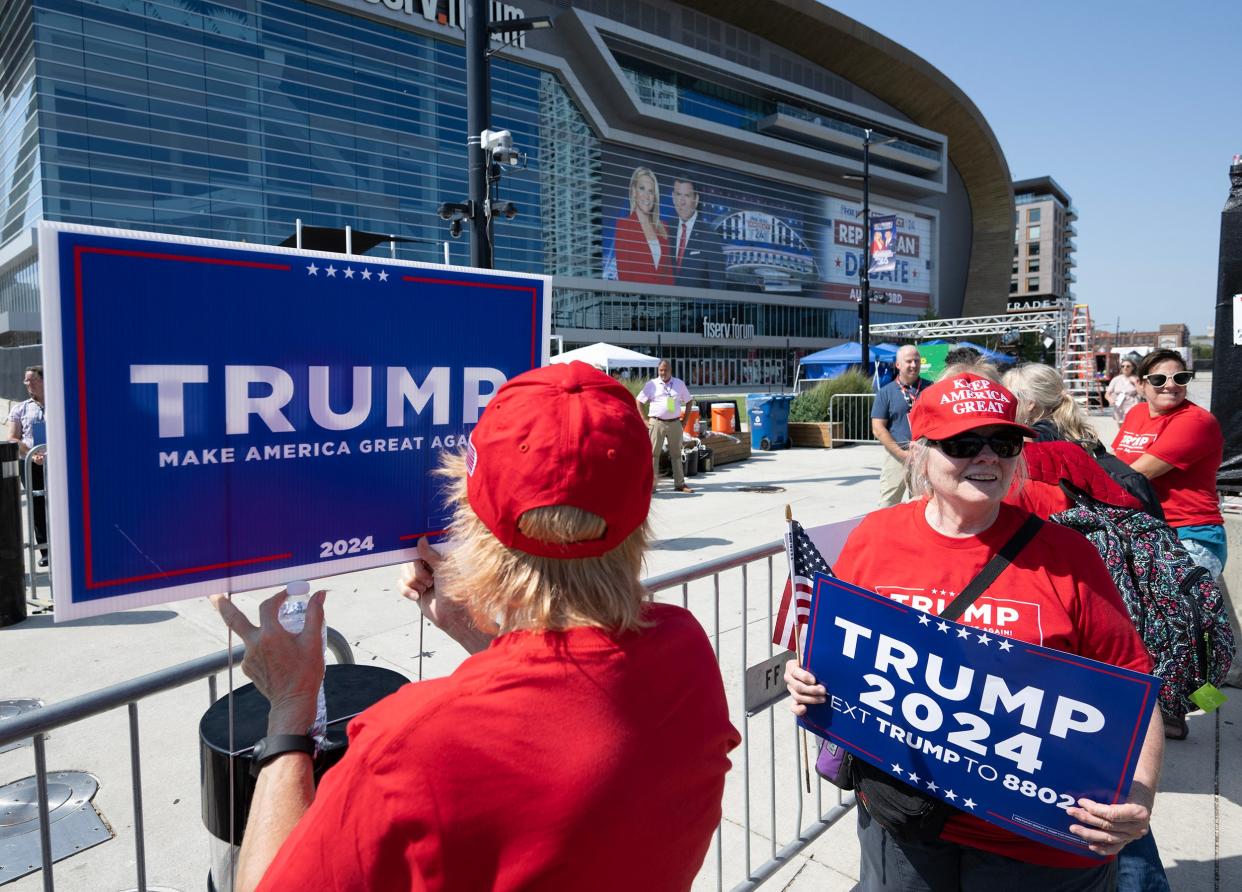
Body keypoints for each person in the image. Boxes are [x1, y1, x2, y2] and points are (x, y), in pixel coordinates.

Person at [213, 361, 740, 891]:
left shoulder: (408, 749)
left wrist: (290, 706)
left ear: (475, 523)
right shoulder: (686, 652)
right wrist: (481, 638)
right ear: (640, 513)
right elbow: (571, 712)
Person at [786, 373, 1164, 890]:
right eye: (964, 443)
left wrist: (1139, 793)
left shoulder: (1069, 556)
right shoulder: (875, 537)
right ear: (919, 452)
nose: (987, 457)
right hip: (906, 821)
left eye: (1003, 442)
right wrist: (807, 677)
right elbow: (838, 650)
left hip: (1037, 842)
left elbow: (1131, 685)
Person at [1113, 349, 1226, 578]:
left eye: (1180, 378)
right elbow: (1117, 462)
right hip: (1147, 532)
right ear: (1141, 384)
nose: (1171, 385)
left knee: (1180, 612)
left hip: (1189, 535)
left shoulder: (1196, 421)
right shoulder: (1136, 413)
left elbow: (1134, 475)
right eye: (1159, 379)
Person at [1001, 362, 1155, 517]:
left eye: (1006, 396)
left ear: (1029, 404)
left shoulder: (1032, 439)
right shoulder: (1077, 430)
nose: (1001, 403)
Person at [870, 345, 930, 507]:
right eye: (908, 361)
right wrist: (902, 454)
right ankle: (883, 532)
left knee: (925, 503)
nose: (913, 365)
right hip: (897, 457)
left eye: (916, 361)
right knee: (888, 503)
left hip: (925, 456)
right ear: (898, 365)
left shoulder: (931, 389)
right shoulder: (886, 392)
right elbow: (878, 428)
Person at [7, 365, 47, 566]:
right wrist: (32, 456)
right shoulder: (20, 408)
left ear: (42, 380)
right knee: (37, 504)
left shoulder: (62, 404)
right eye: (26, 380)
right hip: (30, 463)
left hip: (58, 464)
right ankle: (45, 550)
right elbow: (13, 438)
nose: (27, 384)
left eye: (31, 379)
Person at [638, 359, 695, 494]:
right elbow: (639, 401)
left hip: (675, 423)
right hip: (656, 423)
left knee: (676, 454)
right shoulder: (651, 384)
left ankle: (679, 484)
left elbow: (689, 401)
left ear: (671, 370)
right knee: (653, 455)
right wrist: (644, 419)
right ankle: (652, 485)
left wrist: (685, 421)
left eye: (666, 370)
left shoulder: (679, 384)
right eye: (661, 370)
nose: (663, 372)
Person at [615, 167, 673, 284]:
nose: (647, 196)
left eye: (651, 191)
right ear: (634, 191)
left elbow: (669, 276)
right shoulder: (623, 226)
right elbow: (624, 277)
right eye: (642, 189)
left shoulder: (663, 228)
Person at [669, 178, 725, 289]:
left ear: (696, 199)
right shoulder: (666, 230)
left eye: (687, 196)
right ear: (673, 197)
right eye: (679, 195)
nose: (682, 202)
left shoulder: (710, 237)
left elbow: (719, 288)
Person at [1105, 358, 1141, 424]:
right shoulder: (1116, 379)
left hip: (1132, 405)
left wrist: (1135, 383)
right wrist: (1110, 399)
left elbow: (1142, 393)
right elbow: (1107, 394)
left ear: (1132, 368)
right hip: (1119, 406)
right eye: (1123, 366)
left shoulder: (1136, 379)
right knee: (1121, 426)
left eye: (1128, 366)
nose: (1125, 368)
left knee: (1130, 425)